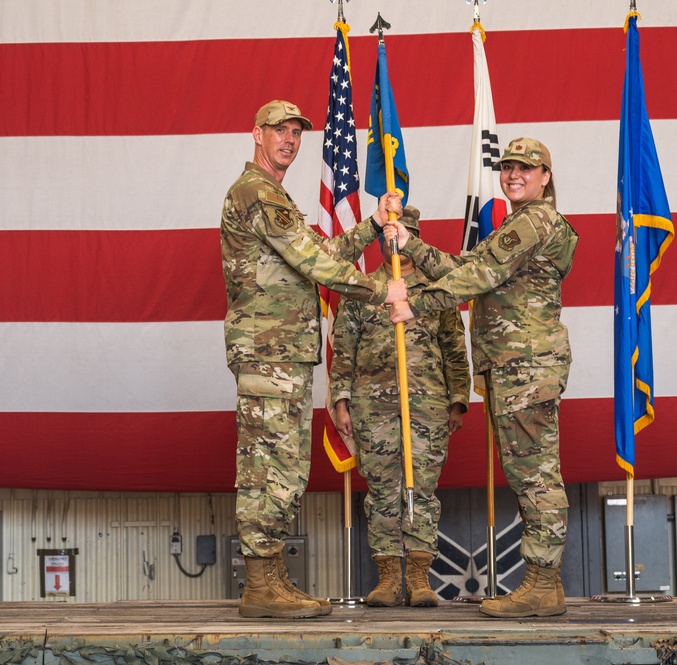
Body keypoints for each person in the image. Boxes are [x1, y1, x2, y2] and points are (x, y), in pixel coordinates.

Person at [220, 99, 407, 619]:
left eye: (296, 132)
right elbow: (314, 260)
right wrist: (384, 289)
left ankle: (271, 576)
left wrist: (372, 225)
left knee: (284, 465)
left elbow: (313, 255)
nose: (289, 139)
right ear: (256, 134)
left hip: (283, 353)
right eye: (279, 130)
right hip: (269, 351)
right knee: (268, 467)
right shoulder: (257, 192)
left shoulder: (272, 194)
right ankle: (260, 584)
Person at [387, 138, 578, 618]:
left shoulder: (535, 219)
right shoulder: (517, 222)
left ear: (545, 176)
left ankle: (543, 582)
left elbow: (480, 278)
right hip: (514, 366)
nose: (514, 174)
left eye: (526, 168)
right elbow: (467, 267)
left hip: (526, 365)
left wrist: (415, 303)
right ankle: (542, 584)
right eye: (508, 167)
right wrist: (412, 247)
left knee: (536, 476)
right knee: (526, 473)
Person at [329, 206, 470, 608]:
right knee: (382, 491)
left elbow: (454, 349)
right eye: (390, 232)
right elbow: (343, 349)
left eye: (404, 232)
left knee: (421, 488)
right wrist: (341, 401)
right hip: (373, 407)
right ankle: (389, 578)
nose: (396, 240)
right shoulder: (361, 288)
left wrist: (458, 400)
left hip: (427, 406)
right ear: (381, 238)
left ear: (415, 235)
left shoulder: (435, 290)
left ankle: (420, 578)